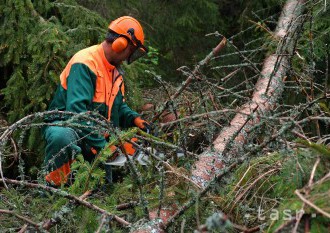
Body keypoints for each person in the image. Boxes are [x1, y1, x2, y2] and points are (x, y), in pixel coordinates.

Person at [43, 16, 150, 186]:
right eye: (131, 51)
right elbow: (77, 112)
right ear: (120, 44)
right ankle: (51, 192)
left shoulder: (115, 73)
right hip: (70, 127)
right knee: (61, 137)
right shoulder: (85, 62)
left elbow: (118, 107)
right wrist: (106, 147)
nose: (127, 58)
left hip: (97, 135)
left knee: (134, 147)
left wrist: (135, 118)